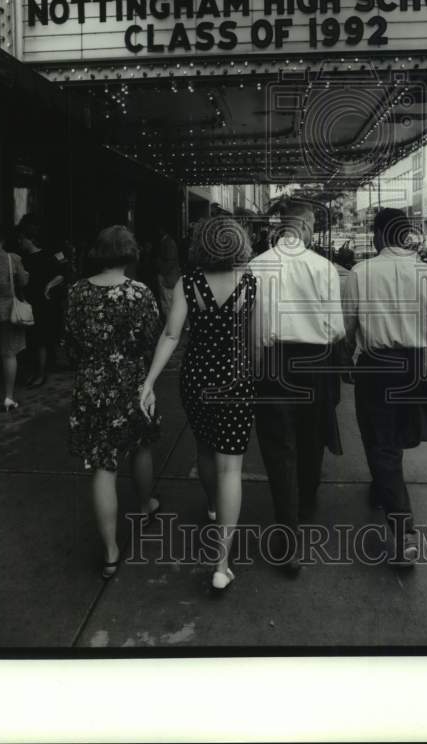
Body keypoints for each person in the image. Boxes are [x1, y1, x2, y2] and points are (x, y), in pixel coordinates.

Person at [140, 216, 257, 592]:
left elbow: (172, 334)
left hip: (197, 378)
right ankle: (222, 564)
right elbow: (260, 337)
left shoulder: (187, 283)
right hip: (237, 379)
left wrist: (149, 380)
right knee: (232, 469)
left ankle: (211, 505)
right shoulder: (252, 282)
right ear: (239, 243)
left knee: (205, 447)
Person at [342, 207, 427, 566]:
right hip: (413, 365)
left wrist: (345, 362)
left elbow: (349, 326)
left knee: (380, 441)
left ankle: (404, 534)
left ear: (378, 235)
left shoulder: (361, 273)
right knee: (395, 435)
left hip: (377, 367)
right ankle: (382, 488)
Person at [249, 200, 346, 575]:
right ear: (306, 229)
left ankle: (287, 536)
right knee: (312, 435)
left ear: (281, 227)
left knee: (279, 446)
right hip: (316, 362)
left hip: (275, 364)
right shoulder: (324, 267)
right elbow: (336, 328)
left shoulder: (257, 266)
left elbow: (254, 329)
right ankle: (306, 503)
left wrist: (258, 367)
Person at [65, 226, 162, 579]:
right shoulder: (139, 293)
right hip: (132, 381)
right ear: (131, 254)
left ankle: (109, 551)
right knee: (141, 446)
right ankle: (145, 505)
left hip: (92, 382)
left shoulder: (76, 292)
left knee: (102, 464)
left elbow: (70, 342)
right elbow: (153, 339)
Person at [16, 221, 66, 386]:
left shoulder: (46, 256)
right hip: (29, 303)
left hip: (43, 304)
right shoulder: (22, 258)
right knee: (32, 340)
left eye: (22, 239)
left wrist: (48, 287)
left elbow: (61, 275)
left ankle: (41, 374)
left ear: (30, 239)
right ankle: (35, 372)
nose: (20, 241)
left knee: (41, 340)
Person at [0, 233, 30, 411]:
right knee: (8, 353)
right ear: (2, 239)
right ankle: (8, 397)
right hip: (8, 311)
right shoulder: (11, 259)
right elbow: (23, 281)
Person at [154, 225, 181, 319]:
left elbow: (171, 261)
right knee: (166, 302)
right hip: (166, 275)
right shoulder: (166, 241)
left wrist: (163, 273)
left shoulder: (169, 242)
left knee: (169, 302)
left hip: (168, 277)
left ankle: (172, 324)